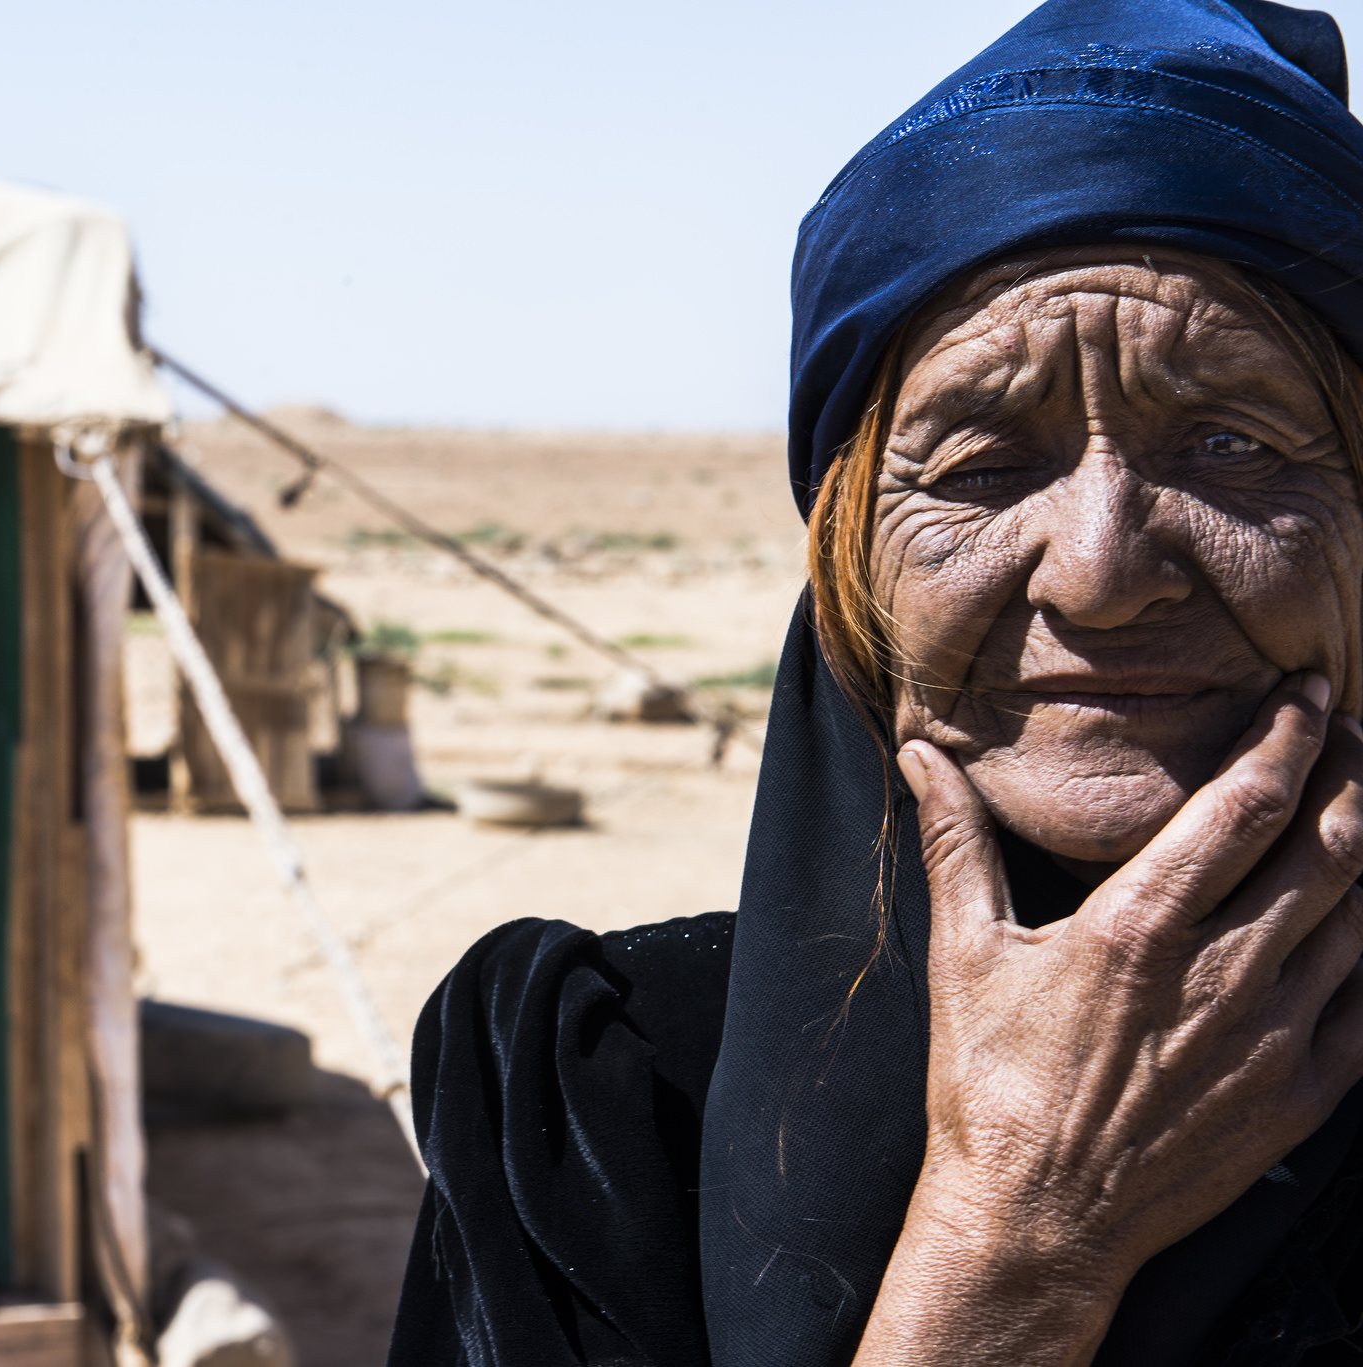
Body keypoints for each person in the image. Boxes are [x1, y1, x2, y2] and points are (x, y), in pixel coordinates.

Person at [389, 3, 1363, 1364]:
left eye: (1233, 439)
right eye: (976, 464)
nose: (1096, 570)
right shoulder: (597, 1112)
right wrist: (1016, 1237)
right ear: (851, 561)